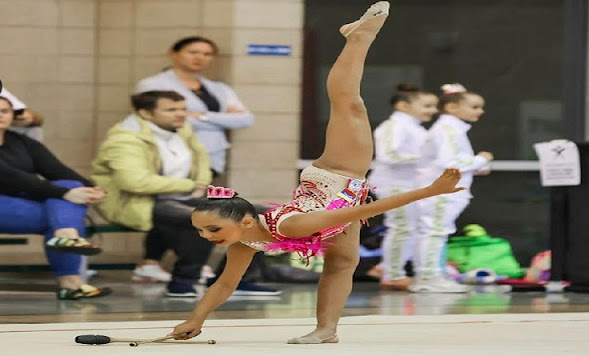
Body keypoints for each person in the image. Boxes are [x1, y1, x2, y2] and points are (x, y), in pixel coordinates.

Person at [170, 2, 463, 343]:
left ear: (246, 220)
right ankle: (327, 330)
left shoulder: (291, 225)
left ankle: (358, 38)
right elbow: (225, 284)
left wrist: (431, 190)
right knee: (341, 264)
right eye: (202, 231)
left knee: (348, 102)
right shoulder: (244, 240)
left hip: (338, 173)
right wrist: (196, 320)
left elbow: (367, 209)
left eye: (212, 228)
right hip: (342, 206)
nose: (207, 237)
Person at [91, 90, 277, 297]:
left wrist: (200, 183)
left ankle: (235, 280)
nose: (181, 114)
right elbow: (134, 182)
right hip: (138, 202)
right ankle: (182, 282)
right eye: (171, 110)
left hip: (184, 196)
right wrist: (190, 185)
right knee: (205, 218)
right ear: (145, 113)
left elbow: (202, 160)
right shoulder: (124, 140)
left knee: (260, 215)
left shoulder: (182, 129)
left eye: (183, 109)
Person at [134, 35, 254, 283]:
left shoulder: (218, 88)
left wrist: (201, 116)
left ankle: (173, 263)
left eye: (207, 53)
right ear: (174, 53)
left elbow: (245, 119)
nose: (200, 58)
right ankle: (156, 261)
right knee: (176, 209)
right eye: (193, 52)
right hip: (173, 158)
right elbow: (163, 119)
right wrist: (220, 117)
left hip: (211, 159)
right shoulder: (153, 83)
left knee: (195, 210)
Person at [0, 95, 110, 300]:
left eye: (4, 111)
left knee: (69, 188)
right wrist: (65, 194)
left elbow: (57, 170)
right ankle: (71, 281)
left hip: (20, 201)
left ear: (12, 116)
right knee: (61, 212)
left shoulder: (21, 142)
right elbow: (12, 177)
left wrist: (91, 188)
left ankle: (66, 236)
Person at [409, 83, 493, 293]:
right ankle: (429, 276)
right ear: (452, 107)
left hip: (442, 189)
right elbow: (450, 161)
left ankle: (431, 274)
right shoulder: (448, 129)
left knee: (433, 231)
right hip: (441, 191)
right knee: (434, 231)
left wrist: (473, 168)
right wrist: (480, 159)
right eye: (474, 107)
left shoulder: (451, 128)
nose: (480, 111)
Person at [368, 83, 438, 291]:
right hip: (394, 185)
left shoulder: (414, 128)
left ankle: (386, 267)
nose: (433, 110)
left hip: (409, 185)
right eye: (427, 105)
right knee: (402, 228)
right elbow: (389, 155)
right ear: (403, 105)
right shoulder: (394, 126)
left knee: (412, 229)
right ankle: (393, 275)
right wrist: (430, 160)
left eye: (434, 106)